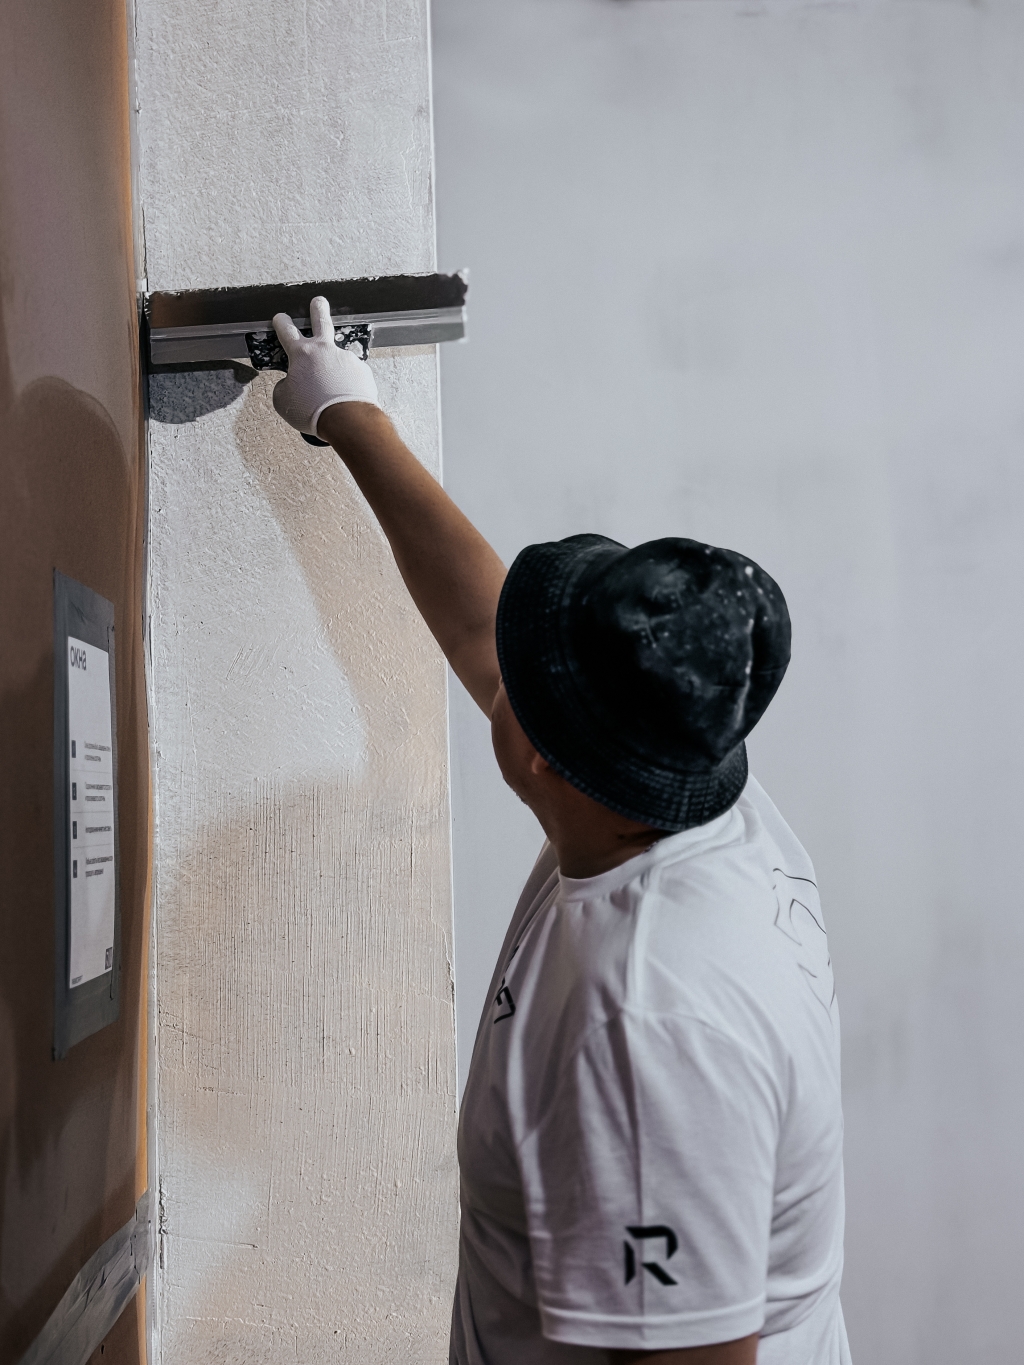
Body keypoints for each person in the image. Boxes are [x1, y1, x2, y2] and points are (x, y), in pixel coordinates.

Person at [271, 300, 852, 1365]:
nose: (499, 672)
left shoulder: (647, 1025)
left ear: (539, 753)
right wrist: (346, 412)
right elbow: (480, 628)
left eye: (523, 685)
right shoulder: (689, 768)